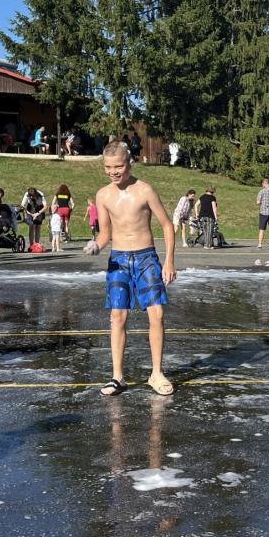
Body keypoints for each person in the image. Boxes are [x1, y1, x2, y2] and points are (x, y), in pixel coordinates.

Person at [84, 142, 177, 396]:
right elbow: (105, 234)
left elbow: (167, 225)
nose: (113, 172)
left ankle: (156, 374)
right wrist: (96, 245)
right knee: (117, 316)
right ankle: (117, 377)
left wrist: (169, 261)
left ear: (129, 163)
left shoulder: (145, 190)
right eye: (108, 167)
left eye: (118, 166)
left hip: (146, 258)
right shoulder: (103, 195)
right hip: (119, 259)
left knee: (156, 314)